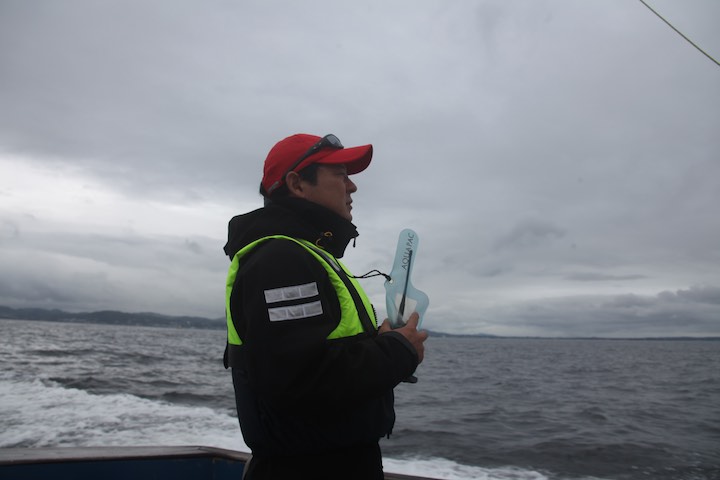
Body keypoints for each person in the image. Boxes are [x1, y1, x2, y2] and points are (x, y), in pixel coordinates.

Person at [223, 133, 428, 479]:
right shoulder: (282, 260)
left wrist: (382, 342)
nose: (352, 187)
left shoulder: (306, 255)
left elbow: (312, 357)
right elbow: (300, 380)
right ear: (297, 184)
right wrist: (397, 350)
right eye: (341, 175)